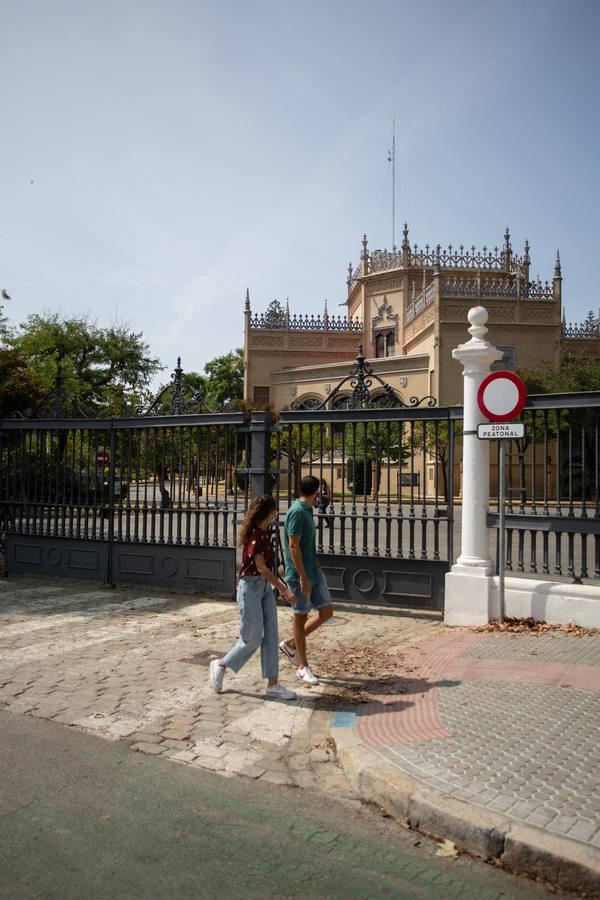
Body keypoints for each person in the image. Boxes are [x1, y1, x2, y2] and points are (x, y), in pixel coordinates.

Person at [209, 495, 297, 700]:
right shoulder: (256, 536)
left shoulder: (266, 534)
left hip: (264, 588)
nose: (276, 514)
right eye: (274, 510)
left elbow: (267, 571)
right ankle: (221, 664)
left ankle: (273, 684)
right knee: (252, 638)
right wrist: (284, 589)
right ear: (267, 512)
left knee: (271, 636)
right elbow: (261, 569)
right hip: (250, 588)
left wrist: (276, 587)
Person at [279, 475, 333, 685]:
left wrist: (314, 562)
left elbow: (305, 544)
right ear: (316, 491)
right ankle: (302, 667)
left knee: (326, 611)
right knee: (300, 618)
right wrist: (302, 577)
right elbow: (293, 546)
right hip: (300, 575)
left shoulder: (308, 509)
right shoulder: (297, 512)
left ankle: (291, 644)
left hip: (313, 571)